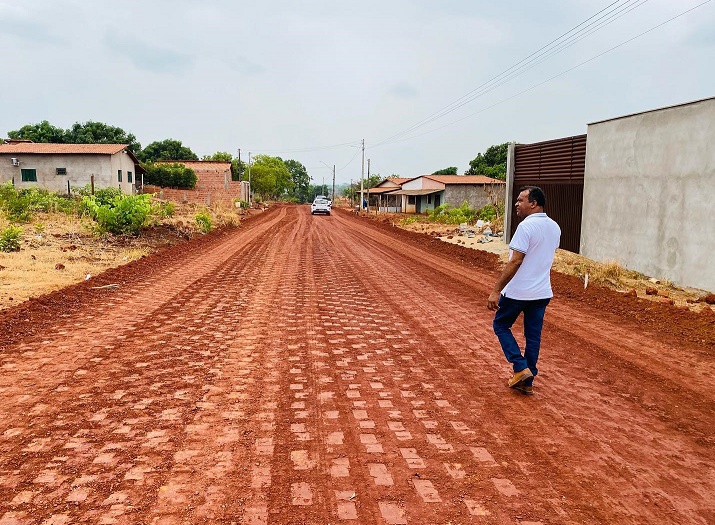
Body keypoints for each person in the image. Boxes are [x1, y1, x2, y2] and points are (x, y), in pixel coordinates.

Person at [487, 186, 561, 395]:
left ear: (533, 203)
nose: (517, 204)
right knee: (533, 336)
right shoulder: (554, 227)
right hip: (542, 292)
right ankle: (527, 380)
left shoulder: (525, 227)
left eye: (520, 200)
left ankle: (520, 367)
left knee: (501, 324)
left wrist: (496, 290)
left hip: (519, 292)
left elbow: (515, 261)